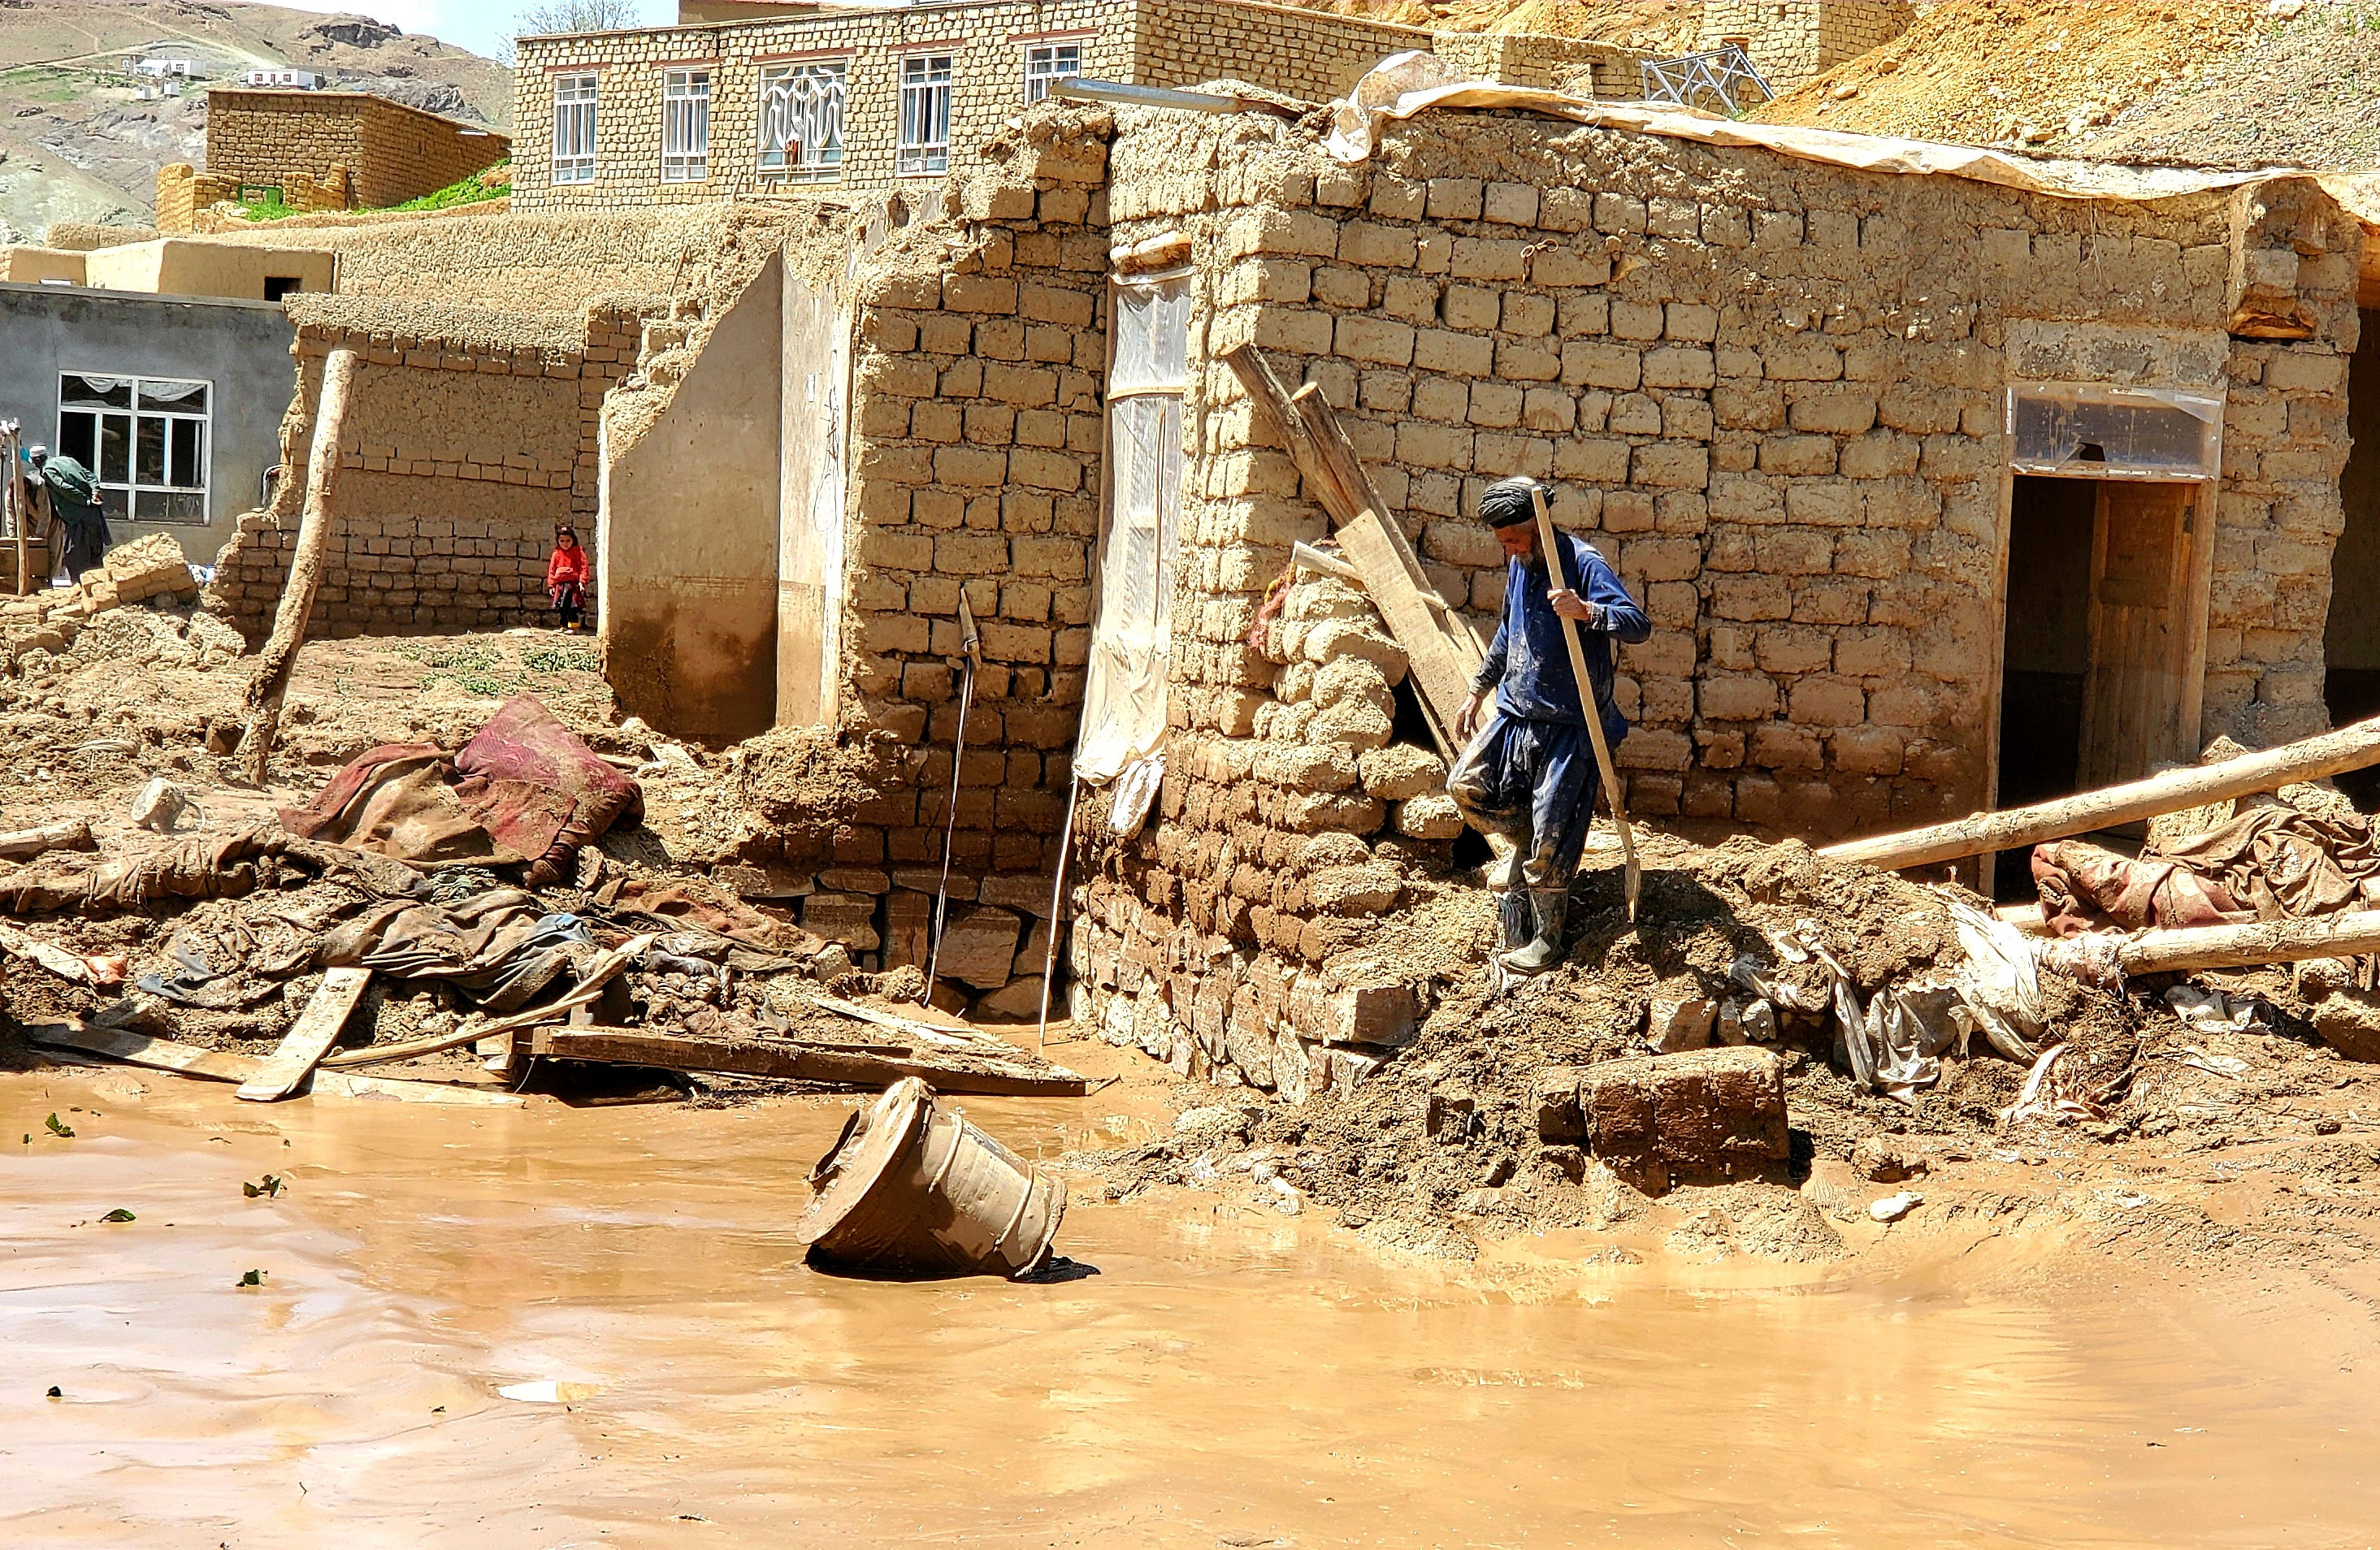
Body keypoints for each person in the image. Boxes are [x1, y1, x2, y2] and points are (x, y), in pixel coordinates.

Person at [1447, 476, 1650, 974]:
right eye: (1503, 543)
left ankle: (1546, 939)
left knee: (1552, 839)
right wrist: (1478, 690)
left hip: (1570, 725)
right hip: (1516, 714)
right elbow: (1507, 632)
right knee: (1465, 786)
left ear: (1538, 527)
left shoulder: (1582, 563)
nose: (1511, 550)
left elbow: (1637, 624)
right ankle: (1523, 843)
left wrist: (1587, 611)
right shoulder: (1519, 568)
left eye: (1516, 539)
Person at [28, 445, 108, 583]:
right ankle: (99, 585)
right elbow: (89, 475)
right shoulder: (67, 460)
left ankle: (80, 588)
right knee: (95, 550)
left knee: (75, 555)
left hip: (78, 516)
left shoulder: (47, 471)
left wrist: (86, 500)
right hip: (94, 513)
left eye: (35, 462)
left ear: (38, 460)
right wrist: (95, 490)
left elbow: (63, 488)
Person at [547, 526, 590, 632]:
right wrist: (551, 584)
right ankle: (563, 626)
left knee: (572, 607)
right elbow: (552, 569)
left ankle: (573, 627)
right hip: (560, 585)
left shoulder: (578, 552)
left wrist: (582, 581)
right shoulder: (557, 554)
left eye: (568, 541)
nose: (565, 544)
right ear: (558, 541)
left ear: (573, 540)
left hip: (573, 585)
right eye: (562, 541)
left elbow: (584, 567)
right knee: (562, 607)